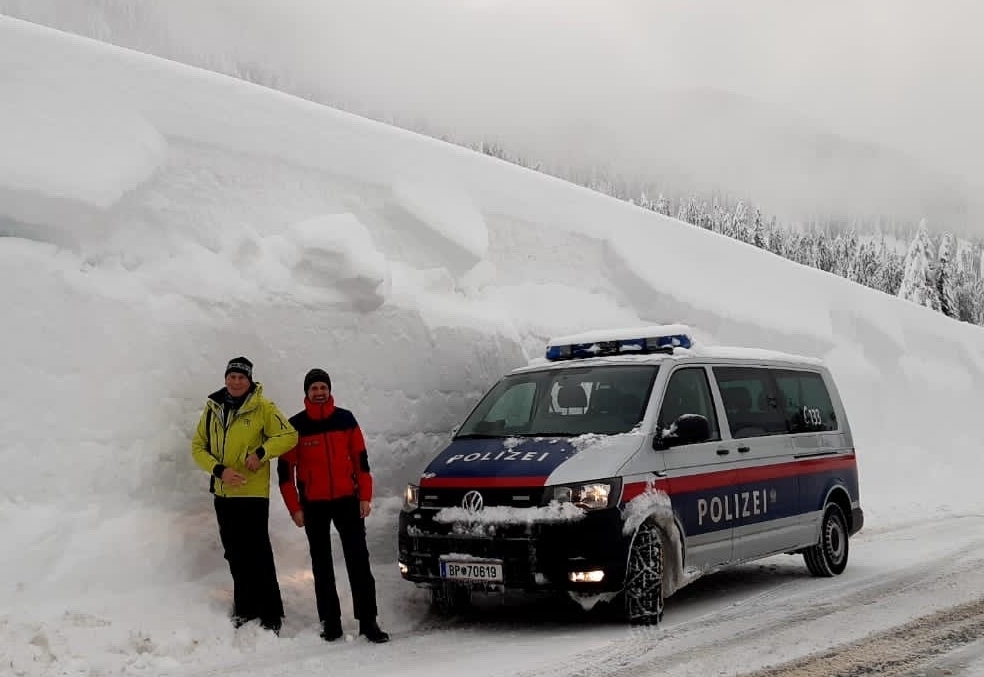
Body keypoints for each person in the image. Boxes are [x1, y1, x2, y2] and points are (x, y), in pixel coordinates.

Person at [277, 368, 390, 643]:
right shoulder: (295, 426)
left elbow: (361, 461)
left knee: (358, 560)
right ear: (307, 392)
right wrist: (295, 508)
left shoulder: (346, 419)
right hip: (313, 504)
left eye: (323, 388)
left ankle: (368, 621)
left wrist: (365, 496)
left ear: (329, 390)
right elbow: (284, 474)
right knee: (321, 564)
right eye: (314, 388)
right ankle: (331, 622)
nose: (319, 392)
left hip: (347, 500)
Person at [191, 356, 298, 634]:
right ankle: (245, 607)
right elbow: (198, 447)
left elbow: (289, 435)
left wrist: (261, 453)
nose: (236, 382)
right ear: (226, 379)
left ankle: (271, 613)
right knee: (235, 553)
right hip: (223, 494)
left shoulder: (263, 407)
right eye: (232, 376)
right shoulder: (213, 408)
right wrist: (219, 470)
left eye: (241, 377)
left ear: (249, 380)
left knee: (258, 552)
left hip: (252, 494)